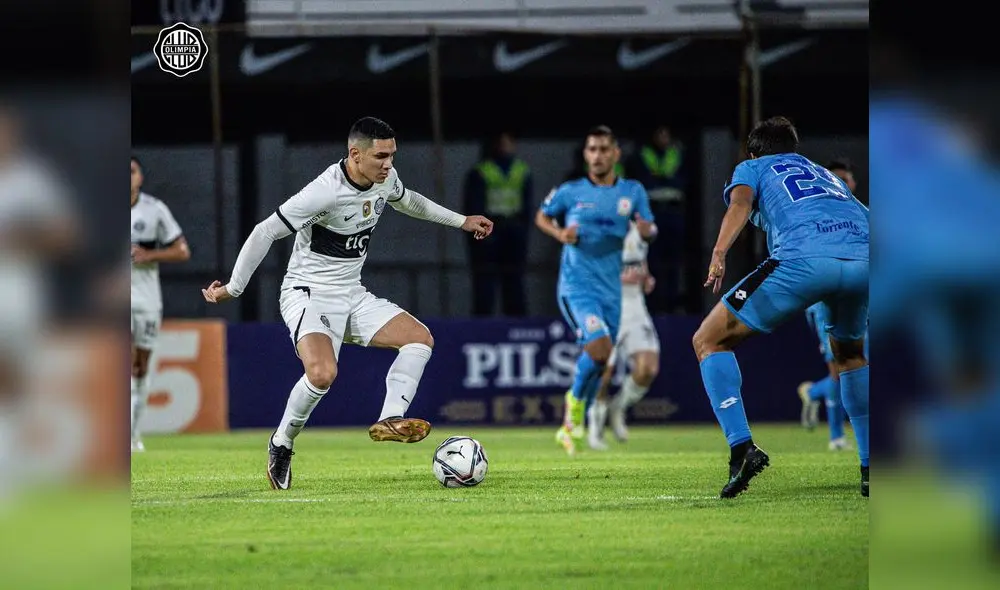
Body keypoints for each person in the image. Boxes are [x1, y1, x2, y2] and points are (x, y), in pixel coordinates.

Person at [201, 117, 493, 490]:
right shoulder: (324, 193)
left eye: (392, 155)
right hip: (307, 293)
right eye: (380, 156)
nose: (388, 164)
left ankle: (390, 418)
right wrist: (235, 288)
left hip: (352, 293)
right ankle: (282, 443)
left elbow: (409, 201)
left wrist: (462, 221)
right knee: (322, 375)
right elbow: (265, 231)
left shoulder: (384, 178)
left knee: (420, 339)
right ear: (355, 154)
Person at [693, 116, 869, 498]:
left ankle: (741, 448)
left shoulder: (752, 166)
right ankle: (871, 467)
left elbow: (740, 203)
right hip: (864, 262)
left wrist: (720, 251)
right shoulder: (826, 174)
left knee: (708, 340)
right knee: (851, 355)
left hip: (804, 260)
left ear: (753, 152)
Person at [535, 125, 656, 457]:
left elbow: (648, 229)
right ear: (586, 154)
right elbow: (542, 217)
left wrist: (647, 231)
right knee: (601, 350)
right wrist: (561, 235)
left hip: (611, 291)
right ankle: (574, 405)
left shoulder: (632, 191)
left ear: (615, 153)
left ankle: (571, 423)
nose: (598, 155)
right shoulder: (570, 192)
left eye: (604, 149)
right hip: (577, 287)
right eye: (592, 149)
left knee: (600, 361)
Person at [130, 155, 191, 452]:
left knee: (140, 367)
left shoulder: (154, 210)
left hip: (146, 299)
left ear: (140, 176)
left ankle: (132, 435)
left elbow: (182, 251)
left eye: (130, 171)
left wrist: (149, 255)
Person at [588, 220, 661, 450]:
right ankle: (595, 429)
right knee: (604, 370)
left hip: (635, 306)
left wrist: (646, 278)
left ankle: (617, 408)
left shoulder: (641, 228)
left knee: (648, 368)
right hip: (607, 305)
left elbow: (640, 261)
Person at [462, 132, 531, 316]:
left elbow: (527, 204)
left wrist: (523, 230)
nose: (505, 147)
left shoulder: (521, 170)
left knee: (514, 280)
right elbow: (473, 204)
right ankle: (483, 324)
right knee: (485, 281)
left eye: (509, 142)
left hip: (513, 231)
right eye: (502, 143)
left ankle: (516, 324)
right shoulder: (483, 171)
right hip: (490, 232)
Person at [627, 125, 686, 312]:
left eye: (666, 134)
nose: (663, 138)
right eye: (659, 133)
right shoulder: (643, 154)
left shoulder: (676, 153)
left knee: (674, 262)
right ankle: (653, 305)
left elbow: (684, 181)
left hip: (673, 212)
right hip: (653, 213)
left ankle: (672, 303)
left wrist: (662, 179)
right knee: (652, 260)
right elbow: (641, 181)